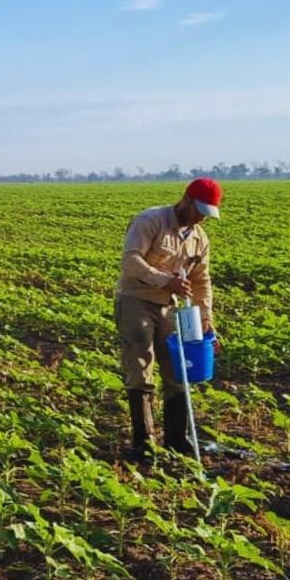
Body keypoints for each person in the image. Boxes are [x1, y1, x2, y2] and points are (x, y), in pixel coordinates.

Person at [113, 176, 220, 461]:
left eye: (207, 214)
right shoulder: (151, 221)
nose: (201, 219)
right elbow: (130, 259)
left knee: (178, 370)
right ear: (185, 199)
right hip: (136, 300)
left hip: (170, 307)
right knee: (140, 367)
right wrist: (163, 280)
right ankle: (143, 443)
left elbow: (201, 280)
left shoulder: (199, 238)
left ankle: (176, 439)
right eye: (198, 211)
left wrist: (206, 317)